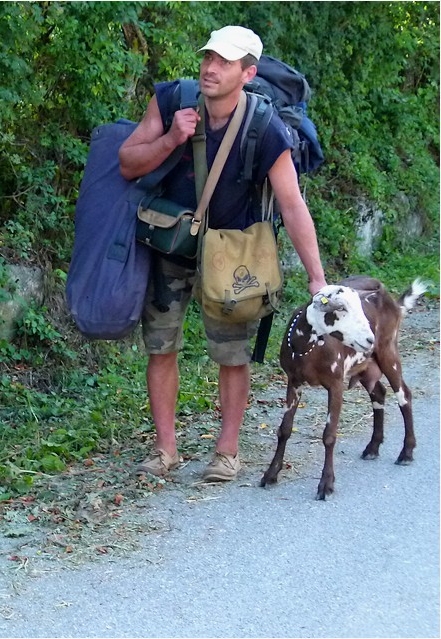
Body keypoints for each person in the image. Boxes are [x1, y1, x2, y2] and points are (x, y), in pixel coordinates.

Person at [118, 25, 327, 481]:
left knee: (233, 354)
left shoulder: (265, 127)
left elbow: (291, 204)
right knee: (160, 347)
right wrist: (171, 138)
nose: (211, 68)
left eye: (225, 62)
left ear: (248, 73)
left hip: (234, 256)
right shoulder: (173, 100)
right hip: (171, 243)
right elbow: (128, 161)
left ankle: (227, 451)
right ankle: (165, 451)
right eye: (208, 57)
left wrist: (316, 277)